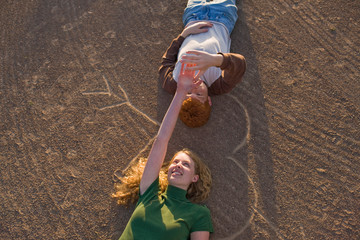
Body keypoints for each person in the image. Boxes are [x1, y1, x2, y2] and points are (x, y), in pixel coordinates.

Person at [113, 64, 213, 240]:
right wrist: (180, 92)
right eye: (175, 161)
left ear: (194, 178)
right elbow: (161, 140)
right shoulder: (149, 193)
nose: (178, 165)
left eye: (186, 164)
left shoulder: (198, 214)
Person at [159, 0, 247, 128]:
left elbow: (166, 62)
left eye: (187, 93)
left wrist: (184, 34)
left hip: (193, 15)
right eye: (199, 94)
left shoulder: (173, 83)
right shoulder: (218, 84)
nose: (193, 89)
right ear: (209, 100)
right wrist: (214, 60)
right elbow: (240, 64)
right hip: (222, 16)